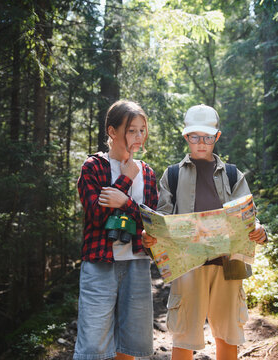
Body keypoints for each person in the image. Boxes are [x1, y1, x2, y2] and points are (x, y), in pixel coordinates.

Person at [141, 104, 267, 360]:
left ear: (217, 137)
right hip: (188, 265)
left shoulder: (232, 175)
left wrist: (259, 230)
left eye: (208, 137)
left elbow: (249, 217)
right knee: (185, 333)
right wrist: (151, 236)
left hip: (228, 264)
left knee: (228, 333)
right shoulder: (173, 175)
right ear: (186, 136)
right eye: (195, 137)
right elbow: (162, 218)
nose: (201, 143)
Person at [74, 100, 158, 360]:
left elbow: (153, 221)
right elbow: (97, 216)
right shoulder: (93, 167)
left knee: (129, 342)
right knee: (93, 346)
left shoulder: (147, 172)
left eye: (142, 130)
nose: (139, 136)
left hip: (137, 262)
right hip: (100, 263)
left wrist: (124, 202)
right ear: (112, 132)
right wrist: (125, 179)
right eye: (132, 130)